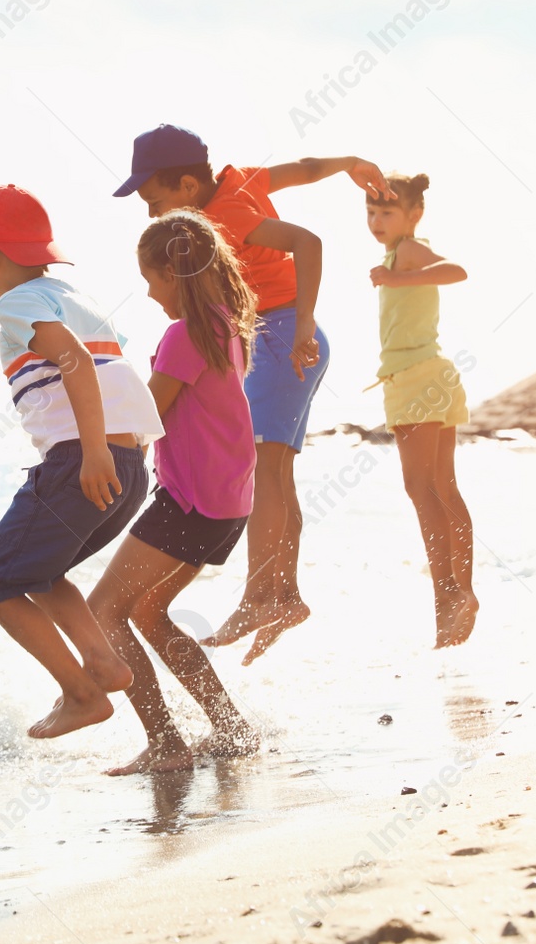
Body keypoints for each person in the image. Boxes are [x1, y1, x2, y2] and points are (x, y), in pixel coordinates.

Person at [114, 124, 394, 666]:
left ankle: (263, 596)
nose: (153, 215)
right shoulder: (239, 182)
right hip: (281, 334)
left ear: (190, 186)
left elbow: (306, 242)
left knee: (264, 469)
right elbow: (304, 169)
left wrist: (305, 324)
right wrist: (348, 160)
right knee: (275, 470)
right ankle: (281, 595)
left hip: (283, 334)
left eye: (156, 200)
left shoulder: (225, 218)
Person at [0, 184, 164, 739]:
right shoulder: (73, 293)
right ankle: (102, 663)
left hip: (83, 460)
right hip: (128, 465)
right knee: (42, 574)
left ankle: (82, 694)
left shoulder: (15, 302)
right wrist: (120, 456)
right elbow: (118, 374)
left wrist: (92, 452)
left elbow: (74, 360)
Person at [88, 210, 260, 775]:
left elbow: (146, 417)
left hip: (191, 502)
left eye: (152, 280)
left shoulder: (185, 333)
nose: (150, 292)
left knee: (103, 610)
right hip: (227, 502)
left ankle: (165, 742)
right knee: (148, 611)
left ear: (173, 274)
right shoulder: (224, 323)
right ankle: (230, 727)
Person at [364, 172, 477, 647]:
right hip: (425, 376)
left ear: (414, 215)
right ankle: (457, 598)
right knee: (439, 486)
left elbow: (457, 271)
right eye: (370, 213)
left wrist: (397, 276)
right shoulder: (396, 255)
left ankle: (452, 597)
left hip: (416, 378)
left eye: (386, 213)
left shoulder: (407, 251)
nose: (376, 221)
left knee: (421, 488)